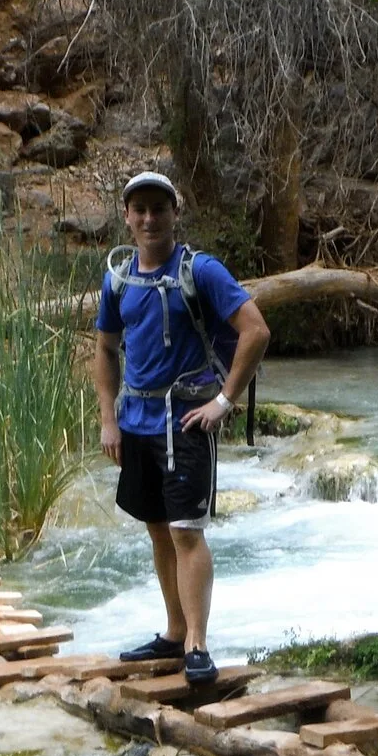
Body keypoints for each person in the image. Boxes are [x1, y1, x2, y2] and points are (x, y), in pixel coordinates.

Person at [93, 171, 271, 686]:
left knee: (185, 531)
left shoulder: (202, 271)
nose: (149, 218)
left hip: (187, 421)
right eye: (140, 209)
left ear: (175, 213)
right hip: (137, 422)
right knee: (156, 527)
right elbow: (105, 348)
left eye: (159, 208)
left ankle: (197, 643)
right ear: (127, 216)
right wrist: (109, 420)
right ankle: (173, 633)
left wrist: (224, 399)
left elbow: (255, 330)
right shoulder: (118, 279)